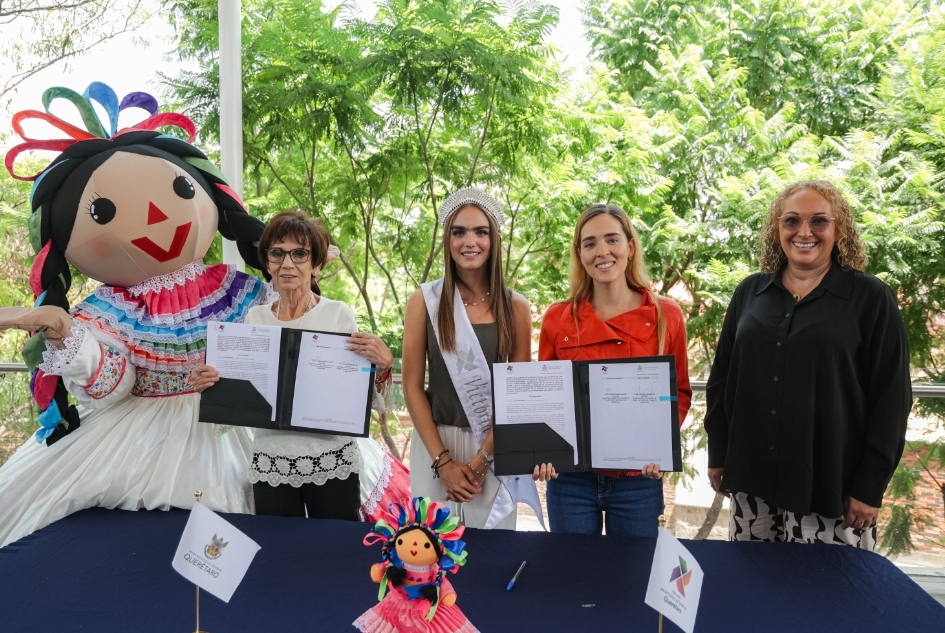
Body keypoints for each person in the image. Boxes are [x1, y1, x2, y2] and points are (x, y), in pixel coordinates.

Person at [0, 93, 271, 547]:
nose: (155, 217)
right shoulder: (110, 310)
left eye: (180, 190)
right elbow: (115, 385)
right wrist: (62, 328)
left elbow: (281, 346)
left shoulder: (235, 288)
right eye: (103, 213)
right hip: (136, 438)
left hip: (235, 423)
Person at [704, 180, 912, 549]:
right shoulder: (750, 292)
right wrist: (719, 454)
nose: (804, 232)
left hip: (833, 487)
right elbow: (722, 378)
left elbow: (891, 399)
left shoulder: (871, 298)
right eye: (791, 221)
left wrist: (869, 485)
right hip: (753, 480)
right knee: (753, 580)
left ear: (839, 229)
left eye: (819, 221)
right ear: (777, 229)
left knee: (827, 585)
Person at [190, 210, 407, 520]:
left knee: (335, 543)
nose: (287, 263)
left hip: (332, 458)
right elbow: (243, 394)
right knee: (279, 547)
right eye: (277, 253)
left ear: (316, 264)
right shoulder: (255, 318)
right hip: (271, 460)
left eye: (300, 254)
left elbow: (358, 394)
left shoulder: (338, 314)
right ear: (267, 263)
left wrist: (383, 367)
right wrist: (212, 384)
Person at [537, 203, 692, 538]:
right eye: (589, 243)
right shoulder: (557, 318)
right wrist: (544, 452)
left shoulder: (667, 315)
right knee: (573, 568)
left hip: (638, 481)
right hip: (571, 481)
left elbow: (679, 393)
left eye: (612, 239)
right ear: (579, 255)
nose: (602, 252)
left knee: (633, 569)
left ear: (630, 246)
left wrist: (658, 443)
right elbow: (546, 400)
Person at [402, 187, 542, 530]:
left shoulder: (516, 307)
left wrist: (481, 462)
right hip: (435, 443)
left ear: (493, 240)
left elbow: (517, 396)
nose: (470, 242)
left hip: (494, 445)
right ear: (447, 240)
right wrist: (443, 462)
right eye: (459, 232)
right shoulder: (424, 302)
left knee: (492, 552)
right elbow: (411, 385)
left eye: (480, 232)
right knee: (430, 549)